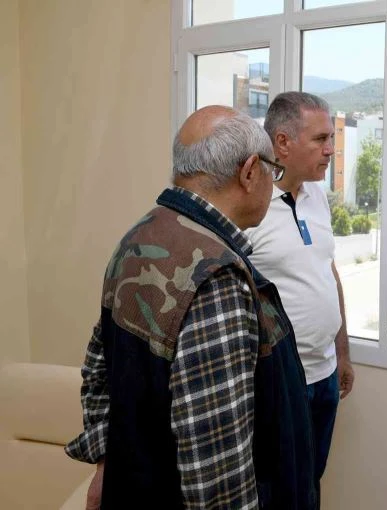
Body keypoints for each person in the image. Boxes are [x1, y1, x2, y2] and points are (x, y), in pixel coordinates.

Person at [65, 106, 317, 509]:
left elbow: (99, 370)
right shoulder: (215, 277)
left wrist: (103, 464)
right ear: (250, 171)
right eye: (274, 170)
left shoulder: (139, 237)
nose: (274, 183)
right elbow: (218, 474)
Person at [246, 91, 354, 499]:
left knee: (310, 484)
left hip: (324, 375)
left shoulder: (317, 195)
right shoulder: (249, 204)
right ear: (283, 143)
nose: (331, 149)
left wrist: (342, 352)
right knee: (277, 492)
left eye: (332, 138)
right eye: (320, 139)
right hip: (278, 384)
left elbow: (328, 273)